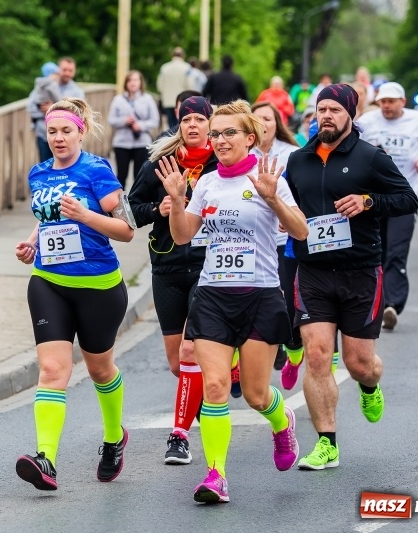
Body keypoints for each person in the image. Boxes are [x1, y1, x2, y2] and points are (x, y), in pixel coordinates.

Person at [155, 100, 307, 503]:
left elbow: (301, 230)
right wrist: (176, 199)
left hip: (259, 295)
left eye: (229, 133)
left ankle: (282, 420)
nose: (219, 140)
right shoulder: (206, 183)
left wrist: (274, 200)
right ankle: (216, 475)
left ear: (250, 138)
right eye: (215, 134)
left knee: (257, 395)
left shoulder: (268, 176)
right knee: (217, 386)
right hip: (212, 296)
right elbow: (184, 235)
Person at [285, 84, 418, 470]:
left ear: (350, 114)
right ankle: (327, 442)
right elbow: (286, 207)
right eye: (320, 109)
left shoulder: (371, 159)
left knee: (360, 363)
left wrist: (368, 201)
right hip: (313, 272)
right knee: (317, 355)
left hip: (361, 272)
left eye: (334, 110)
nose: (326, 115)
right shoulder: (299, 160)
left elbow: (408, 200)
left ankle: (369, 383)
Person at [14, 97, 135, 491]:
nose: (59, 138)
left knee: (100, 369)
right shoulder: (38, 173)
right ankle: (46, 459)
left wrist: (86, 216)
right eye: (52, 132)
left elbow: (126, 230)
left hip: (98, 285)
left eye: (66, 130)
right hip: (48, 281)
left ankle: (114, 437)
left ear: (81, 132)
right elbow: (45, 219)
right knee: (52, 371)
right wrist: (32, 242)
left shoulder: (97, 171)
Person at [130, 96, 217, 465]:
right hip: (166, 267)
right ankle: (208, 403)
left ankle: (179, 436)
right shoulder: (160, 164)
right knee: (176, 362)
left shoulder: (220, 164)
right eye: (186, 119)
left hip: (208, 266)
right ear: (178, 124)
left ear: (210, 125)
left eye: (200, 119)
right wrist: (158, 209)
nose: (192, 125)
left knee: (189, 350)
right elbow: (129, 210)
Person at [357, 82, 418, 330]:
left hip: (405, 197)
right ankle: (375, 304)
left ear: (402, 102)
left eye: (392, 101)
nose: (387, 106)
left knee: (396, 252)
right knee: (376, 253)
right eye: (383, 101)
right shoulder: (367, 121)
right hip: (373, 198)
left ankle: (392, 305)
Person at [250, 101, 300, 371]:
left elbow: (303, 194)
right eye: (257, 119)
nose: (263, 124)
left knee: (286, 299)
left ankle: (291, 347)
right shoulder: (241, 153)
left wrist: (288, 215)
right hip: (252, 240)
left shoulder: (293, 154)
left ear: (276, 123)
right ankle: (268, 347)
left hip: (284, 241)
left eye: (267, 118)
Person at [108, 70, 161, 190]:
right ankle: (119, 203)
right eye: (130, 80)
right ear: (126, 83)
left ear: (140, 83)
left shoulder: (147, 99)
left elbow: (155, 120)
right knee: (121, 175)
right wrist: (124, 121)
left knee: (140, 175)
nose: (133, 83)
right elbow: (111, 119)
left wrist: (140, 125)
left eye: (136, 80)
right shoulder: (118, 99)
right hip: (122, 142)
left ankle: (136, 203)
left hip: (141, 141)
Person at [28, 57, 85, 163]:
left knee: (67, 168)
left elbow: (79, 114)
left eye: (70, 71)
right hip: (44, 135)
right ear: (58, 69)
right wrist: (46, 112)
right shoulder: (44, 85)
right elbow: (31, 108)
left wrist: (52, 109)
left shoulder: (77, 92)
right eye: (64, 70)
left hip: (67, 139)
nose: (67, 73)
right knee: (46, 168)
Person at [157, 47, 193, 130]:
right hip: (183, 101)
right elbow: (190, 85)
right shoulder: (187, 68)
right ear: (183, 55)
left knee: (171, 125)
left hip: (168, 101)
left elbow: (159, 86)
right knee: (181, 123)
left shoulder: (164, 68)